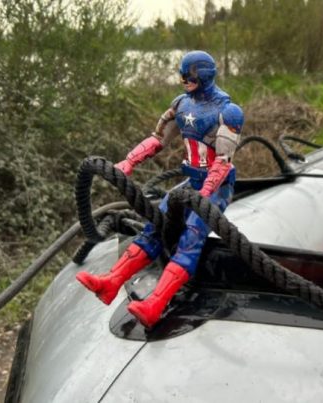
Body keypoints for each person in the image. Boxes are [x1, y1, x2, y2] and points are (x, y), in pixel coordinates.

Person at [76, 51, 243, 328]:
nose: (183, 79)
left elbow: (223, 162)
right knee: (155, 226)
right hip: (192, 181)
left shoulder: (227, 111)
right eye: (181, 73)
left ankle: (156, 303)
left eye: (189, 74)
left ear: (203, 74)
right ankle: (111, 281)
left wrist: (205, 195)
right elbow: (158, 139)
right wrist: (129, 161)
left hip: (216, 187)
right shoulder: (181, 104)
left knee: (191, 238)